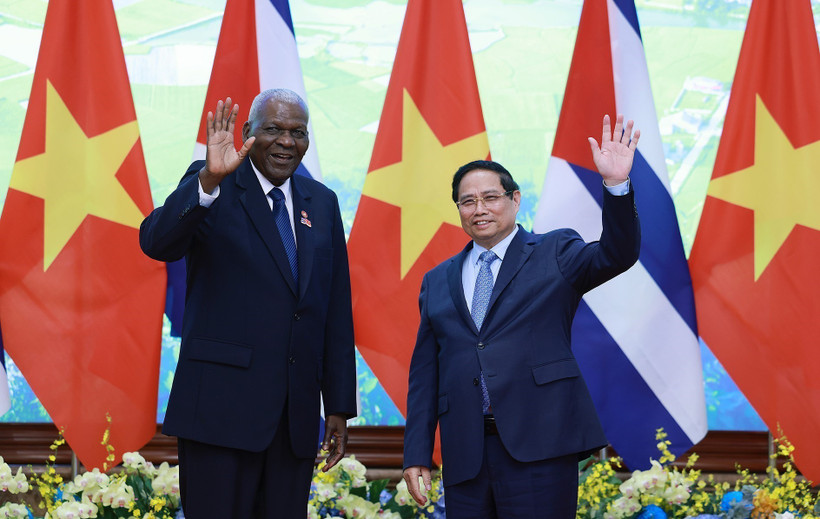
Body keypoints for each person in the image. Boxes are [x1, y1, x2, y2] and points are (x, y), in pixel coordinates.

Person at [402, 115, 641, 518]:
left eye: (491, 197)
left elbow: (617, 255)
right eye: (468, 201)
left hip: (541, 448)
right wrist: (416, 454)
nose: (479, 209)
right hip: (466, 454)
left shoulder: (556, 252)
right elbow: (425, 373)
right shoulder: (437, 280)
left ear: (515, 200)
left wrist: (616, 186)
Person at [139, 89, 357, 518]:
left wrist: (338, 405)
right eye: (273, 129)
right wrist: (208, 182)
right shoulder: (213, 184)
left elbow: (333, 308)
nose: (286, 141)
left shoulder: (323, 203)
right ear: (247, 133)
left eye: (298, 132)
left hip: (293, 421)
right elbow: (156, 241)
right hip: (219, 413)